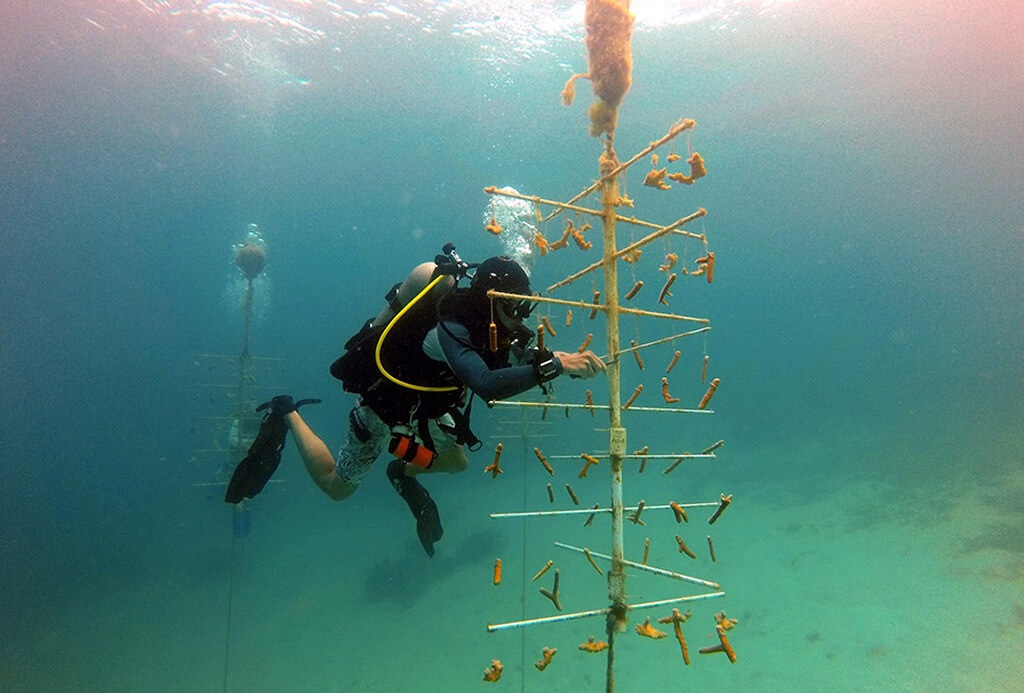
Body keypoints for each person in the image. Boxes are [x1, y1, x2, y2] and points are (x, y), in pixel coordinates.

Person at [281, 251, 605, 556]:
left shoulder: (497, 326)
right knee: (337, 488)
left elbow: (520, 358)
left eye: (525, 306)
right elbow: (486, 384)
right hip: (383, 407)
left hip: (429, 410)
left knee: (457, 462)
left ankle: (401, 471)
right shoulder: (450, 329)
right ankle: (288, 412)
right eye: (513, 306)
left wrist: (553, 359)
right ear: (489, 303)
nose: (520, 317)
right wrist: (554, 367)